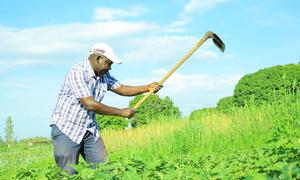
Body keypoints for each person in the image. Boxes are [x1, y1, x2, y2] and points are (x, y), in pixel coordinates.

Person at [50, 43, 162, 175]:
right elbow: (89, 103)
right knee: (68, 173)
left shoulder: (103, 75)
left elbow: (122, 89)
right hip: (67, 128)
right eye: (109, 63)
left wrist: (147, 87)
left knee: (105, 171)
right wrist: (121, 112)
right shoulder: (78, 72)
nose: (109, 68)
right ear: (98, 58)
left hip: (89, 129)